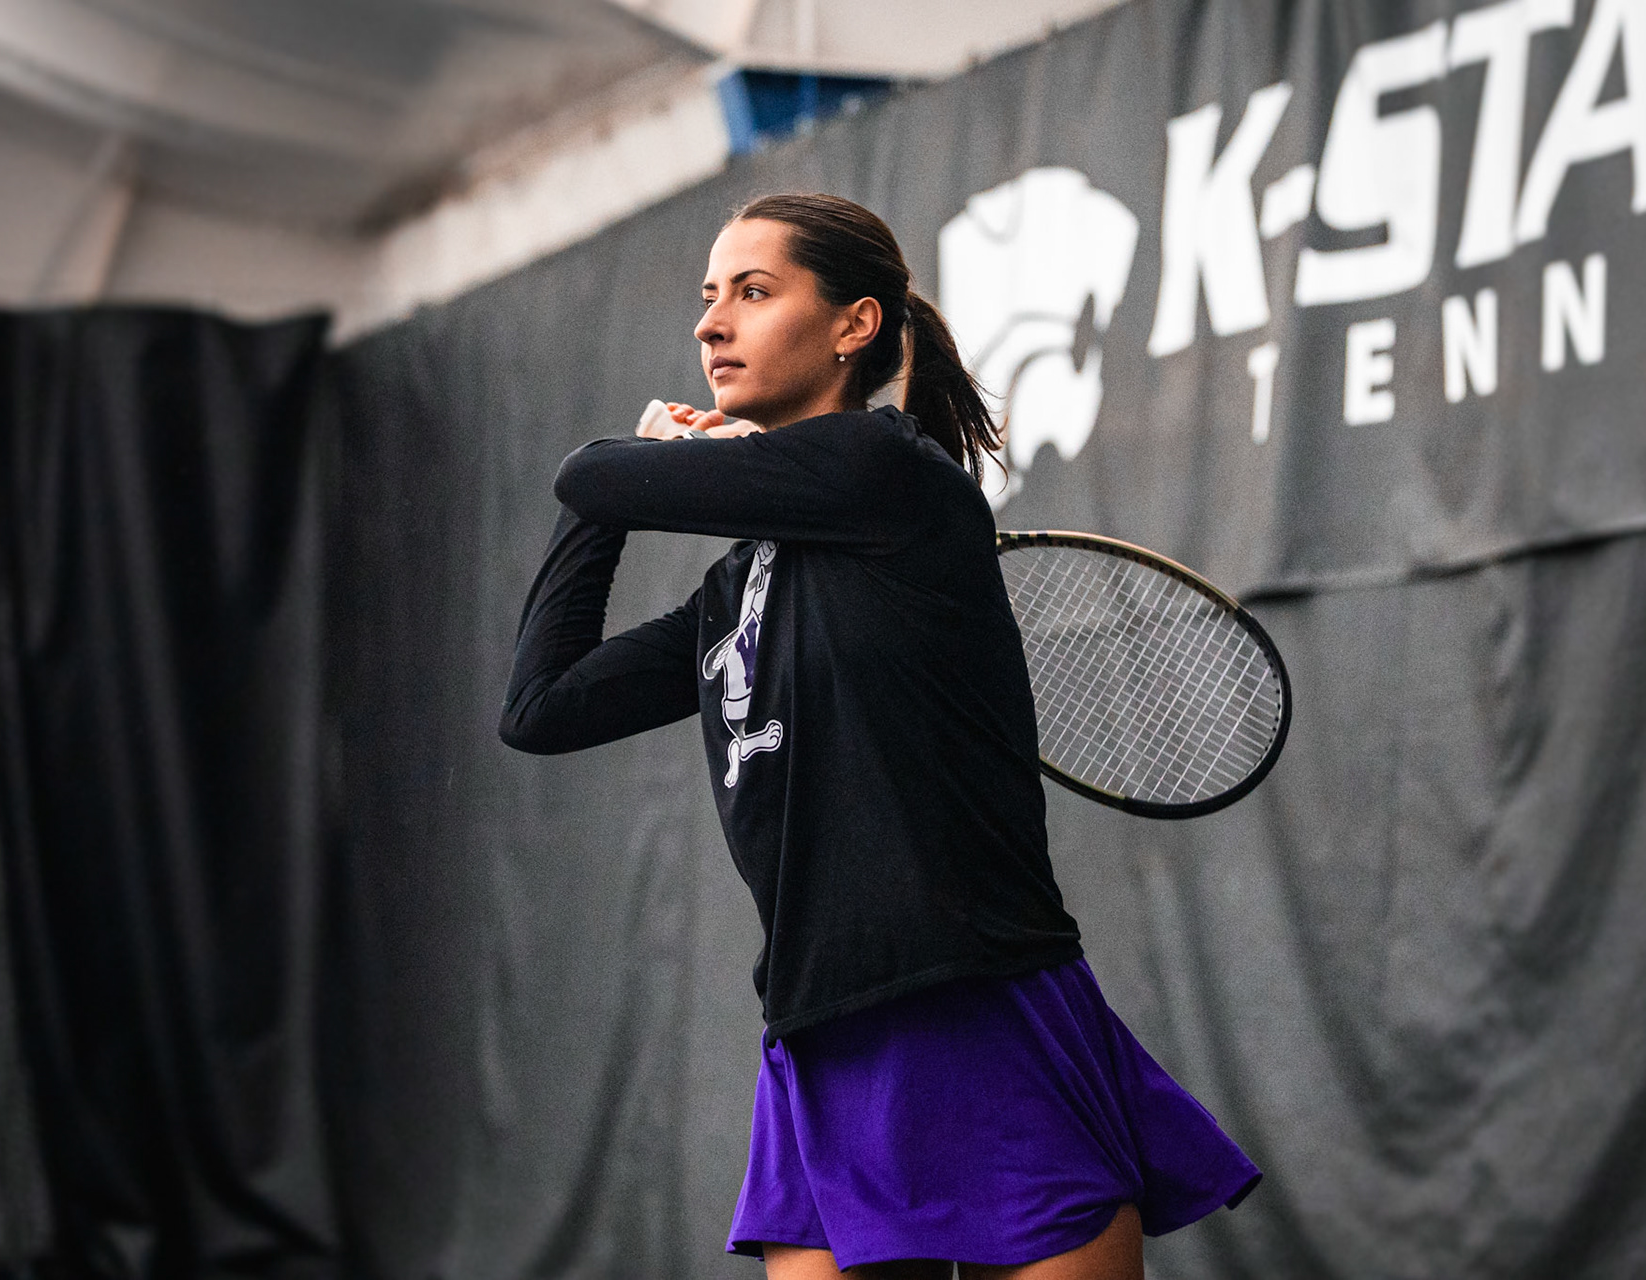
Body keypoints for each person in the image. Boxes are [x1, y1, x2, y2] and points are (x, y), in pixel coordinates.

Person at [500, 193, 1259, 1279]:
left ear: (856, 324)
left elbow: (589, 464)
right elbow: (541, 707)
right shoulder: (735, 587)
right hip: (817, 1032)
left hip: (983, 1004)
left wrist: (631, 467)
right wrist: (609, 509)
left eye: (753, 293)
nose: (713, 323)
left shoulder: (891, 474)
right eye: (708, 298)